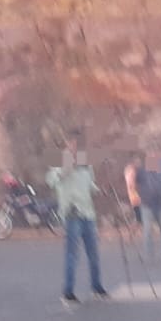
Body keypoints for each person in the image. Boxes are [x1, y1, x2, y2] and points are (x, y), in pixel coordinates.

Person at [51, 130, 109, 303]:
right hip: (72, 213)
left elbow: (90, 184)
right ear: (67, 143)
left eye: (78, 143)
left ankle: (96, 287)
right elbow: (52, 180)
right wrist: (65, 170)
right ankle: (68, 291)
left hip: (88, 212)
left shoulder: (86, 163)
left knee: (94, 253)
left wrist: (101, 191)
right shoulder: (60, 160)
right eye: (72, 143)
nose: (75, 146)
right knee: (72, 254)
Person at [137, 147, 161, 262]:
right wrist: (142, 196)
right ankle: (148, 254)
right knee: (147, 231)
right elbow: (136, 184)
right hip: (147, 205)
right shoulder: (142, 171)